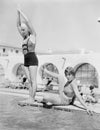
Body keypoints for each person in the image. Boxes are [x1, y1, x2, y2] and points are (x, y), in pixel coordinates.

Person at [17, 8, 38, 103]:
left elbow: (28, 21)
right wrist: (17, 15)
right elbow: (17, 25)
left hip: (33, 59)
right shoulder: (23, 38)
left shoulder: (33, 36)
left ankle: (32, 99)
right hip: (26, 60)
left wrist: (21, 12)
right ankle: (30, 97)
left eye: (24, 30)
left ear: (28, 30)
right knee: (29, 81)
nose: (22, 31)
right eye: (21, 30)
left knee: (33, 80)